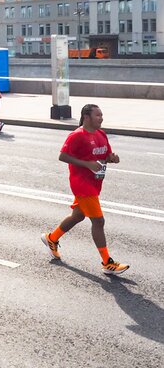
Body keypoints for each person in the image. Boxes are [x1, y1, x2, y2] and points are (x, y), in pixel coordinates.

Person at [41, 104, 129, 275]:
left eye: (102, 115)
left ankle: (51, 238)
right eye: (98, 115)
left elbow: (104, 156)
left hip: (95, 183)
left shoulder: (101, 134)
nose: (101, 118)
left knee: (78, 215)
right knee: (98, 221)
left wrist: (112, 159)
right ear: (86, 117)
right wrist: (86, 164)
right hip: (82, 184)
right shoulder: (77, 136)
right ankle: (107, 263)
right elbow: (62, 156)